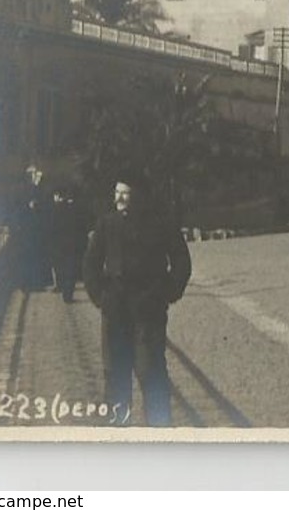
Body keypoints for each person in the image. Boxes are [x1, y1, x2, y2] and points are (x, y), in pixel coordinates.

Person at [82, 175, 192, 426]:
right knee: (115, 373)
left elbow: (181, 261)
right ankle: (118, 431)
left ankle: (159, 429)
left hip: (148, 309)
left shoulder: (161, 224)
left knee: (150, 370)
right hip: (115, 310)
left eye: (125, 193)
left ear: (139, 196)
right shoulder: (106, 224)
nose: (118, 198)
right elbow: (91, 263)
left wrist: (169, 292)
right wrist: (100, 296)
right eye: (116, 192)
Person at [48, 187, 89, 302]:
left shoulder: (57, 208)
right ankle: (68, 294)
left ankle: (63, 289)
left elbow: (52, 227)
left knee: (62, 267)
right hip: (73, 244)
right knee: (70, 269)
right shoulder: (78, 209)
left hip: (60, 243)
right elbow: (82, 227)